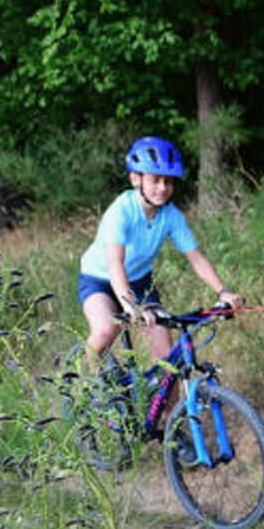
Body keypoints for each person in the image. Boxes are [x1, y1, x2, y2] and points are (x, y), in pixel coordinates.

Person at [78, 136, 242, 366]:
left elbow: (195, 258)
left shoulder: (171, 216)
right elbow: (115, 263)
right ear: (136, 179)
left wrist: (223, 291)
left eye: (169, 181)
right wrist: (130, 305)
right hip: (100, 279)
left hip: (139, 282)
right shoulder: (121, 211)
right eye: (155, 180)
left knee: (168, 360)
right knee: (106, 329)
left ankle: (166, 403)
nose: (163, 188)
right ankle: (85, 378)